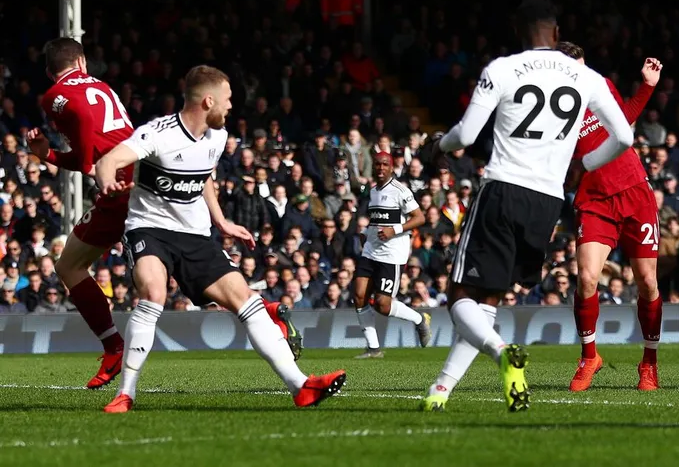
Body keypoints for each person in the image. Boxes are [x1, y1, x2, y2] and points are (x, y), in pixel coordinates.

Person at [420, 0, 633, 412]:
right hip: (547, 203)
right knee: (488, 302)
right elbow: (623, 137)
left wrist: (436, 146)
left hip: (503, 188)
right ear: (556, 33)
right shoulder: (587, 76)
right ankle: (440, 390)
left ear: (520, 34)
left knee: (459, 297)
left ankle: (502, 353)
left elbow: (464, 137)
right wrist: (587, 162)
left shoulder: (502, 69)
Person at [94, 66, 345, 413]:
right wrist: (106, 182)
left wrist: (222, 221)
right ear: (208, 100)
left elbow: (205, 178)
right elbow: (111, 159)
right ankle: (126, 393)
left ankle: (300, 386)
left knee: (245, 298)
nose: (230, 107)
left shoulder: (217, 137)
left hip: (195, 235)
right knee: (153, 291)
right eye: (227, 100)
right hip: (150, 229)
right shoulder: (158, 133)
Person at [23, 37, 134, 388]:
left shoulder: (54, 94)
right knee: (181, 265)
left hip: (120, 188)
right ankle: (265, 313)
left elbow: (84, 123)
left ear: (48, 71)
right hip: (139, 176)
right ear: (83, 62)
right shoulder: (101, 85)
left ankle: (114, 346)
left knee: (70, 266)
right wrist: (51, 155)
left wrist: (87, 162)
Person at [556, 41, 663, 392]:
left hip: (635, 192)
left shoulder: (600, 86)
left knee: (647, 282)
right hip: (595, 200)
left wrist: (646, 86)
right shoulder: (551, 107)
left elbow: (626, 117)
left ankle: (649, 364)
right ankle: (589, 357)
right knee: (586, 277)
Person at [353, 150, 431, 359]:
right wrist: (365, 233)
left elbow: (420, 217)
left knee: (382, 304)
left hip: (392, 254)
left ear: (391, 167)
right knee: (359, 296)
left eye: (384, 164)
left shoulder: (400, 190)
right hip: (371, 250)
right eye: (377, 164)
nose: (380, 168)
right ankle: (373, 348)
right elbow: (377, 218)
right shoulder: (372, 191)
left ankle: (419, 319)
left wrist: (394, 230)